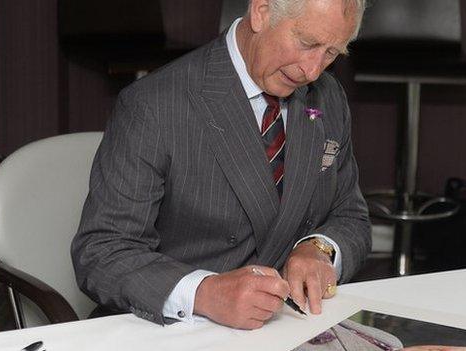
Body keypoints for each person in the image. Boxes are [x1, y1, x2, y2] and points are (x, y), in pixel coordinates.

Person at [71, 0, 371, 330]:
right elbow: (102, 252)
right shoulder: (154, 105)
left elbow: (350, 215)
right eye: (307, 43)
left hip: (285, 326)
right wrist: (206, 293)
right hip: (176, 331)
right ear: (261, 11)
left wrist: (318, 249)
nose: (313, 70)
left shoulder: (326, 96)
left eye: (331, 53)